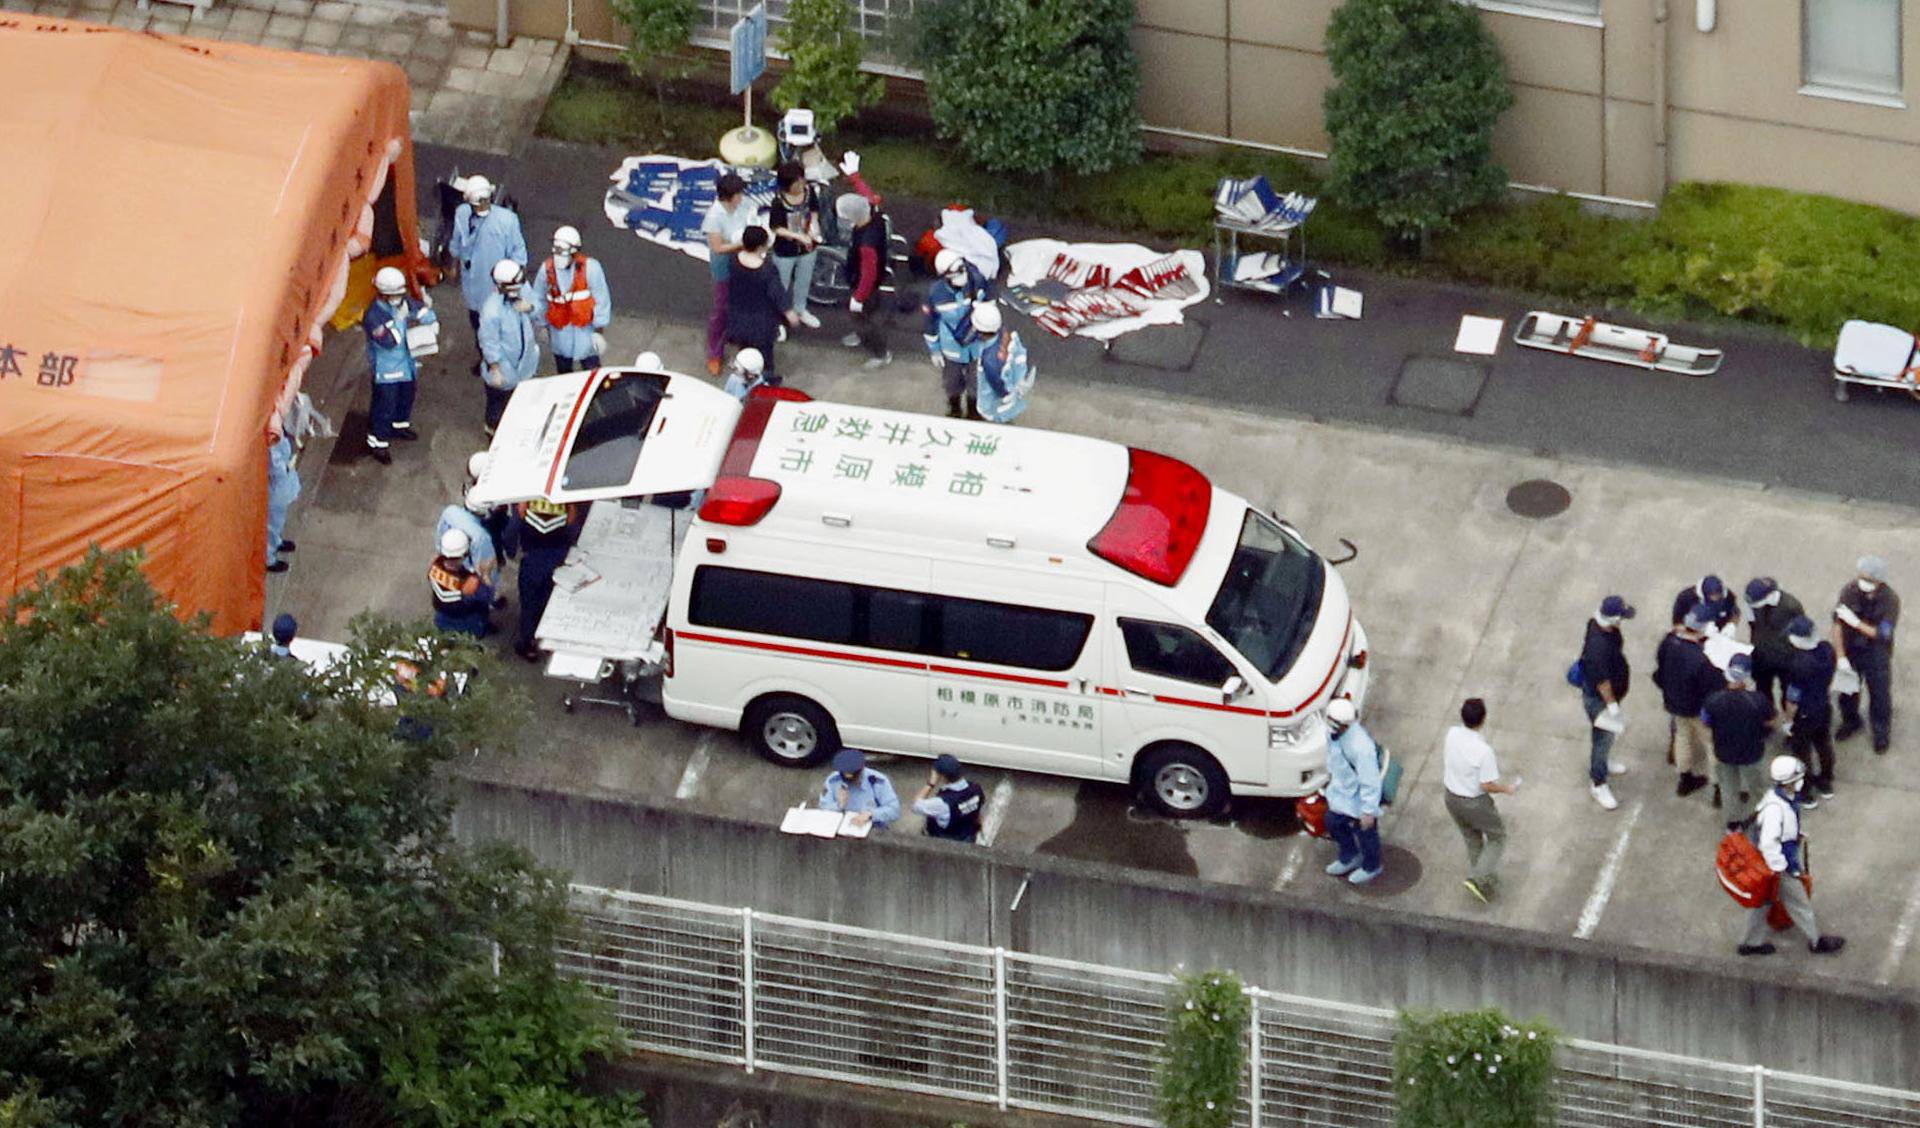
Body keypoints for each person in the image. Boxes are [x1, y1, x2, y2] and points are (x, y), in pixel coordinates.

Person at [1736, 756, 1845, 957]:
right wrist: (1781, 867)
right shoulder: (1777, 809)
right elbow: (1768, 842)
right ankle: (1815, 941)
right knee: (1799, 901)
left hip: (1769, 864)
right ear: (1790, 781)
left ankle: (1750, 943)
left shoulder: (1774, 799)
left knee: (1762, 903)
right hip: (1779, 866)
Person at [1442, 698, 1516, 904]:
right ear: (1483, 719)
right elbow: (1487, 785)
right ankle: (1478, 878)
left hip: (1451, 797)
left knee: (1472, 838)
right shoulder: (1483, 751)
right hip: (1473, 801)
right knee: (1497, 837)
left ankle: (1485, 881)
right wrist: (1506, 789)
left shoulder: (1452, 734)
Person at [362, 266, 435, 464]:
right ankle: (378, 443)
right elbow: (389, 341)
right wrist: (399, 319)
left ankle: (399, 426)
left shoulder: (400, 302)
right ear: (382, 294)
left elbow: (421, 310)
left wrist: (428, 316)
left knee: (406, 397)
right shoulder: (373, 316)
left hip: (406, 365)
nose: (398, 299)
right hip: (386, 371)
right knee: (384, 407)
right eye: (393, 296)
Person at [1653, 603, 1724, 797]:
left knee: (1682, 738)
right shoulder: (1700, 659)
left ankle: (1685, 778)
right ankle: (1719, 787)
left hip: (1675, 703)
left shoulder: (1669, 642)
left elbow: (1659, 670)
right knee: (1713, 746)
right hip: (1698, 709)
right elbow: (1714, 687)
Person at [1832, 554, 1899, 754]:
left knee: (1879, 696)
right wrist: (1841, 656)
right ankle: (1851, 721)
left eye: (1868, 580)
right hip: (1851, 650)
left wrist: (1856, 623)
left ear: (1879, 580)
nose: (1862, 583)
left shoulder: (1889, 600)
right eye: (1861, 577)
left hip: (1876, 654)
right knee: (1847, 692)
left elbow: (1882, 633)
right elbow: (1837, 625)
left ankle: (1881, 733)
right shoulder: (1849, 591)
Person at [447, 174, 527, 336]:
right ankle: (483, 355)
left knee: (497, 329)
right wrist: (453, 266)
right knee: (477, 324)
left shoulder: (507, 220)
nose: (483, 206)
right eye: (479, 203)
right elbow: (457, 240)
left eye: (486, 201)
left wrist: (514, 286)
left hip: (496, 285)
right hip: (472, 283)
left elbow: (519, 254)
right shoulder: (462, 214)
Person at [1703, 654, 1775, 824]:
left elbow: (1706, 722)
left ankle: (1732, 823)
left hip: (1724, 751)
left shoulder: (1713, 700)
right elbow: (1771, 721)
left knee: (1728, 789)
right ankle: (1762, 818)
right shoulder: (1758, 700)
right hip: (1751, 753)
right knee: (1756, 788)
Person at [1578, 594, 1634, 810]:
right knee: (1602, 738)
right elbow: (1602, 682)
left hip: (1608, 694)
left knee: (1606, 736)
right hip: (1599, 700)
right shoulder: (1598, 647)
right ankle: (1598, 782)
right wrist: (1611, 706)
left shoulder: (1600, 627)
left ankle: (1603, 763)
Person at [530, 225, 611, 373]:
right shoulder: (547, 270)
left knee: (592, 370)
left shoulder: (591, 268)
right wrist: (541, 324)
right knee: (564, 372)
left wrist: (599, 331)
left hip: (585, 332)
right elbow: (538, 298)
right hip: (560, 334)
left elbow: (602, 300)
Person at [511, 495, 582, 662]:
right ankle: (551, 640)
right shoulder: (563, 509)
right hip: (557, 562)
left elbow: (516, 524)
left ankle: (529, 645)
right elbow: (572, 527)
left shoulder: (529, 505)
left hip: (533, 563)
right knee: (551, 603)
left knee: (529, 605)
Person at [1321, 698, 1383, 885]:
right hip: (1342, 791)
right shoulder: (1335, 733)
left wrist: (1368, 810)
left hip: (1359, 798)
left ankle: (1372, 866)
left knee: (1366, 831)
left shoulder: (1361, 748)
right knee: (1333, 822)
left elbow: (1370, 781)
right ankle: (1350, 855)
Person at [836, 171, 893, 371]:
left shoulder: (867, 243)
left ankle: (880, 353)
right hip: (869, 281)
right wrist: (856, 178)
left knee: (864, 319)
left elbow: (868, 273)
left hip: (864, 285)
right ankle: (862, 334)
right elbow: (870, 197)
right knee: (865, 313)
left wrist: (859, 297)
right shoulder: (874, 215)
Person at [725, 227, 798, 381]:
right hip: (761, 322)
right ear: (760, 247)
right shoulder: (767, 270)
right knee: (765, 358)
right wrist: (790, 313)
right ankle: (766, 381)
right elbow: (778, 294)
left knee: (744, 351)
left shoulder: (733, 260)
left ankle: (744, 377)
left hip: (737, 316)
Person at [923, 249, 990, 418]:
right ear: (946, 275)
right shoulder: (937, 294)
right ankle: (954, 409)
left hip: (977, 346)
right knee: (952, 382)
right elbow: (931, 323)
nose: (963, 273)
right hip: (951, 349)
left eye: (963, 268)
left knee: (976, 381)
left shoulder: (977, 281)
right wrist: (935, 350)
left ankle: (974, 411)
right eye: (958, 271)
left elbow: (990, 310)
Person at [477, 259, 541, 434]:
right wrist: (495, 369)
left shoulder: (523, 289)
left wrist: (531, 307)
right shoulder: (491, 310)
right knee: (497, 407)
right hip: (505, 369)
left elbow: (538, 307)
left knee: (522, 401)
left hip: (525, 363)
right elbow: (489, 342)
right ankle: (493, 433)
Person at [701, 173, 756, 376]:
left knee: (744, 303)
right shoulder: (714, 217)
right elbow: (717, 247)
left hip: (743, 261)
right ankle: (715, 352)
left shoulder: (744, 205)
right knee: (722, 309)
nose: (741, 197)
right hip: (725, 265)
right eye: (738, 194)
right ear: (729, 196)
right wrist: (742, 244)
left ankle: (741, 339)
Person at [1783, 615, 1838, 807]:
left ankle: (1805, 790)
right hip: (1823, 705)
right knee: (1823, 744)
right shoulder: (1827, 650)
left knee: (1801, 751)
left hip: (1805, 714)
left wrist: (1789, 721)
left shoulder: (1798, 664)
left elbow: (1793, 698)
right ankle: (1826, 780)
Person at [768, 161, 824, 330]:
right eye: (796, 183)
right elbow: (776, 228)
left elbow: (814, 211)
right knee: (782, 284)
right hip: (786, 249)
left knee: (804, 280)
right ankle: (779, 317)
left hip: (807, 246)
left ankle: (800, 309)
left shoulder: (808, 192)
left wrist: (814, 226)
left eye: (802, 180)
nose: (801, 185)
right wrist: (797, 236)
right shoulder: (778, 202)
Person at [969, 301, 1035, 425]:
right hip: (1012, 386)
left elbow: (1000, 389)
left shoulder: (989, 361)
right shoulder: (1003, 332)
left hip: (995, 406)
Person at [1743, 577, 1804, 706]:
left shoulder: (1791, 606)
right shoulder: (1753, 603)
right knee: (1762, 690)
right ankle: (1767, 715)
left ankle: (1789, 715)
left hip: (1786, 657)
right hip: (1761, 655)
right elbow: (1752, 623)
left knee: (1787, 689)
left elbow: (1800, 631)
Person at [428, 528, 494, 637]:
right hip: (466, 621)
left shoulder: (435, 566)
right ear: (463, 555)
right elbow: (488, 595)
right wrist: (485, 575)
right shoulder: (469, 583)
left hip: (441, 617)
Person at [817, 748, 900, 830]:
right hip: (843, 826)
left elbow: (894, 810)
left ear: (862, 769)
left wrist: (871, 815)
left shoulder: (878, 782)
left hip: (872, 827)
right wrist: (839, 805)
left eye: (855, 778)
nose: (852, 783)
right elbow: (823, 806)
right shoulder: (833, 781)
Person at [436, 487, 501, 590]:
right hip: (465, 570)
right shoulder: (481, 537)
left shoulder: (450, 511)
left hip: (446, 557)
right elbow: (486, 572)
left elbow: (439, 537)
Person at [911, 754, 984, 843]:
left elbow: (916, 805)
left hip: (945, 840)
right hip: (968, 836)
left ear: (942, 776)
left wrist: (931, 784)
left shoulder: (942, 803)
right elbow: (978, 814)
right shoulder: (976, 789)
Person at [265, 428, 300, 573]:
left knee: (277, 518)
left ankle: (276, 542)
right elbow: (275, 464)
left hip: (280, 483)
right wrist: (285, 467)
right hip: (275, 484)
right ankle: (268, 557)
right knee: (271, 520)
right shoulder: (270, 435)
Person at [1672, 573, 1737, 631]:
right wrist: (1697, 635)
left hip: (1717, 629)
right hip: (1694, 629)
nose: (1717, 598)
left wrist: (1731, 626)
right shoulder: (1686, 598)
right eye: (1714, 595)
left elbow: (1734, 613)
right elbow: (1678, 624)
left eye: (1719, 594)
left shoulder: (1728, 596)